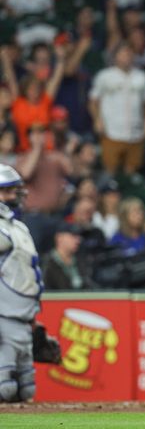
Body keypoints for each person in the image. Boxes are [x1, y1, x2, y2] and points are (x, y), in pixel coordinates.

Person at [0, 164, 43, 402]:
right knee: (4, 387)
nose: (13, 197)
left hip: (23, 320)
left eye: (15, 191)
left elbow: (28, 276)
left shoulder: (19, 228)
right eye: (6, 191)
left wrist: (34, 318)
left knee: (27, 390)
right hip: (3, 320)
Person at [88, 43, 145, 175]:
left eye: (129, 53)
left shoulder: (141, 77)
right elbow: (93, 102)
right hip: (112, 131)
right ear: (115, 57)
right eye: (123, 53)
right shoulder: (105, 76)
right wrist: (97, 119)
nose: (126, 56)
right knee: (110, 170)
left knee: (132, 170)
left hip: (136, 133)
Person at [41, 222, 93, 290]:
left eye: (79, 237)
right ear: (59, 238)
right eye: (73, 236)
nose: (78, 240)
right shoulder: (46, 263)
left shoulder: (81, 260)